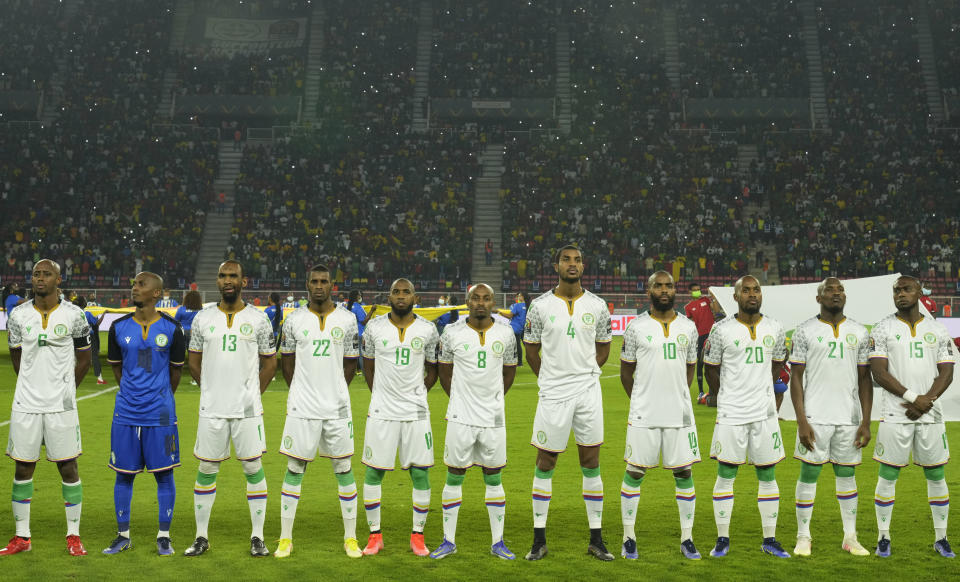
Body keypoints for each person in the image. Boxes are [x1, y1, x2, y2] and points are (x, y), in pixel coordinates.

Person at [522, 244, 614, 561]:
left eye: (577, 259)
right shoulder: (540, 306)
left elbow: (604, 347)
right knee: (545, 462)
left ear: (583, 266)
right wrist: (549, 376)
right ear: (556, 265)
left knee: (591, 462)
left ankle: (597, 539)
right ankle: (538, 540)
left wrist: (586, 374)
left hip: (588, 393)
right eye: (566, 259)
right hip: (553, 393)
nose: (572, 264)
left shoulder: (598, 306)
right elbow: (531, 349)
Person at [184, 260, 277, 557]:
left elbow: (270, 361)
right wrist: (210, 388)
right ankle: (201, 537)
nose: (227, 280)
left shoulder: (259, 319)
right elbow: (194, 361)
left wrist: (253, 395)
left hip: (247, 411)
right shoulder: (203, 318)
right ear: (217, 280)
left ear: (243, 282)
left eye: (232, 276)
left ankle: (257, 537)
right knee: (206, 468)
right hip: (212, 409)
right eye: (222, 275)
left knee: (253, 468)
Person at [1, 259, 92, 556]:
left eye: (46, 274)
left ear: (58, 279)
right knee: (23, 467)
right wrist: (31, 383)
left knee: (68, 466)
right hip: (26, 403)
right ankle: (22, 537)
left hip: (60, 405)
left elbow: (85, 359)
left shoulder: (75, 315)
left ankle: (74, 535)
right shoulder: (17, 315)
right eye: (36, 274)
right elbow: (17, 357)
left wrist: (65, 390)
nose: (40, 279)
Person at [275, 265, 362, 559]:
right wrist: (301, 389)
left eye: (324, 281)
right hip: (302, 407)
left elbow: (350, 362)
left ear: (332, 285)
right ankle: (285, 538)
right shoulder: (294, 320)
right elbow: (286, 362)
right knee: (295, 469)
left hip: (337, 407)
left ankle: (350, 538)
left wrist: (335, 387)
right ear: (307, 284)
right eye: (314, 281)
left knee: (344, 469)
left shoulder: (348, 319)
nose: (319, 285)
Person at [429, 283, 517, 560]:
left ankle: (498, 542)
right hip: (460, 416)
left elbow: (509, 374)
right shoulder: (452, 332)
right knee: (455, 475)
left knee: (494, 476)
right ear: (467, 301)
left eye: (486, 298)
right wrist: (461, 400)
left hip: (493, 418)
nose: (480, 303)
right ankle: (448, 540)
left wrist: (491, 400)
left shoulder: (506, 333)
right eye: (475, 298)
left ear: (493, 302)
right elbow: (444, 373)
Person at [869, 275, 955, 558]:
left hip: (929, 414)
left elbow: (947, 371)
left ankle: (941, 538)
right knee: (888, 474)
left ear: (919, 292)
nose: (901, 294)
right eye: (896, 290)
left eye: (906, 289)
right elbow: (879, 372)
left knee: (936, 474)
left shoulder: (937, 329)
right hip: (896, 413)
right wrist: (912, 399)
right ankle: (883, 537)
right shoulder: (883, 328)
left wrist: (926, 401)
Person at [704, 275, 789, 558]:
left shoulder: (775, 327)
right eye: (746, 291)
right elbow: (711, 369)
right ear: (736, 296)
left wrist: (761, 389)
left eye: (756, 290)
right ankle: (722, 539)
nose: (752, 295)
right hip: (732, 413)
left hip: (764, 413)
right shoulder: (721, 330)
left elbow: (778, 363)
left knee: (767, 473)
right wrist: (728, 394)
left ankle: (770, 539)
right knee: (726, 474)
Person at [619, 271, 702, 560]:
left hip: (678, 414)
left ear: (674, 290)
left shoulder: (688, 328)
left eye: (668, 286)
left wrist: (676, 394)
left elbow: (690, 369)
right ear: (649, 290)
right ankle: (629, 537)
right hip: (644, 413)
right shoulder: (636, 327)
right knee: (634, 472)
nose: (664, 290)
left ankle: (687, 538)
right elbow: (626, 373)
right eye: (658, 285)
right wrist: (643, 398)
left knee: (684, 472)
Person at [102, 272, 186, 556]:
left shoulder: (173, 329)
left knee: (164, 475)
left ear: (157, 293)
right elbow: (117, 368)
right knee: (123, 475)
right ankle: (122, 535)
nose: (134, 287)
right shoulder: (119, 327)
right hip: (125, 413)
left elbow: (176, 371)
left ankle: (164, 536)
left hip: (161, 415)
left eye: (141, 284)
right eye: (134, 283)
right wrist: (134, 393)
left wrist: (159, 397)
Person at [788, 277, 872, 557]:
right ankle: (803, 537)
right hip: (815, 416)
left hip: (848, 418)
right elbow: (796, 378)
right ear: (818, 298)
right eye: (829, 290)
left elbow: (864, 380)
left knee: (847, 476)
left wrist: (866, 421)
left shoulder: (859, 332)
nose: (836, 294)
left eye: (840, 290)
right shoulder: (805, 331)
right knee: (809, 473)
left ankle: (850, 537)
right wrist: (801, 420)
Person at [359, 279, 440, 557]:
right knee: (374, 471)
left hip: (416, 412)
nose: (401, 296)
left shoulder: (428, 330)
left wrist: (418, 392)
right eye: (396, 292)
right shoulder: (374, 327)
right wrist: (381, 394)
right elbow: (367, 367)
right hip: (382, 410)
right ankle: (374, 536)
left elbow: (433, 368)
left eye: (406, 292)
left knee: (420, 472)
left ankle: (417, 535)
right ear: (389, 296)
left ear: (414, 297)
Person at [684, 283, 714, 402]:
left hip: (713, 334)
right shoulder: (688, 307)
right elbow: (690, 322)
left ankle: (716, 389)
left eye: (698, 290)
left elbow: (715, 309)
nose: (697, 291)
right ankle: (701, 391)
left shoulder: (706, 300)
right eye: (695, 290)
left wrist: (714, 298)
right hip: (700, 336)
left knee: (715, 363)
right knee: (700, 363)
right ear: (690, 292)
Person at [72, 296, 107, 385]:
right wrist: (103, 314)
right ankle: (99, 378)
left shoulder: (71, 313)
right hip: (88, 336)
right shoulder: (87, 313)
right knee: (93, 357)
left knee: (74, 357)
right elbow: (97, 324)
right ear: (84, 304)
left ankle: (70, 378)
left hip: (73, 337)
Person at [175, 291, 203, 385]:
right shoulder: (201, 311)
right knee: (194, 358)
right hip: (194, 334)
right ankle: (195, 379)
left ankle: (176, 377)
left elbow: (176, 322)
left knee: (179, 357)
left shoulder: (181, 309)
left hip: (182, 334)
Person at [506, 292, 529, 366]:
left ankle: (518, 361)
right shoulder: (529, 306)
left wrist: (499, 312)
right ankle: (530, 358)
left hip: (517, 327)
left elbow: (510, 315)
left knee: (516, 345)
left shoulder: (515, 306)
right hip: (525, 327)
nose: (518, 298)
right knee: (526, 344)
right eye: (517, 296)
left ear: (522, 297)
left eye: (519, 296)